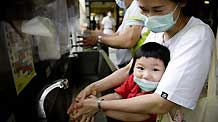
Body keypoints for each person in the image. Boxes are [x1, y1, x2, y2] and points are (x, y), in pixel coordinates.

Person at [68, 0, 215, 121]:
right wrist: (93, 88)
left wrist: (99, 105)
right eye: (144, 10)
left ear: (182, 2)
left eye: (158, 10)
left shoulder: (197, 36)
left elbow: (161, 103)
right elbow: (130, 68)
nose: (150, 18)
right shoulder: (158, 33)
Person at [70, 42, 170, 122]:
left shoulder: (158, 94)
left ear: (166, 71)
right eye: (140, 68)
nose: (146, 75)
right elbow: (117, 95)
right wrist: (89, 104)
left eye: (155, 70)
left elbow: (133, 116)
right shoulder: (133, 80)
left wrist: (97, 106)